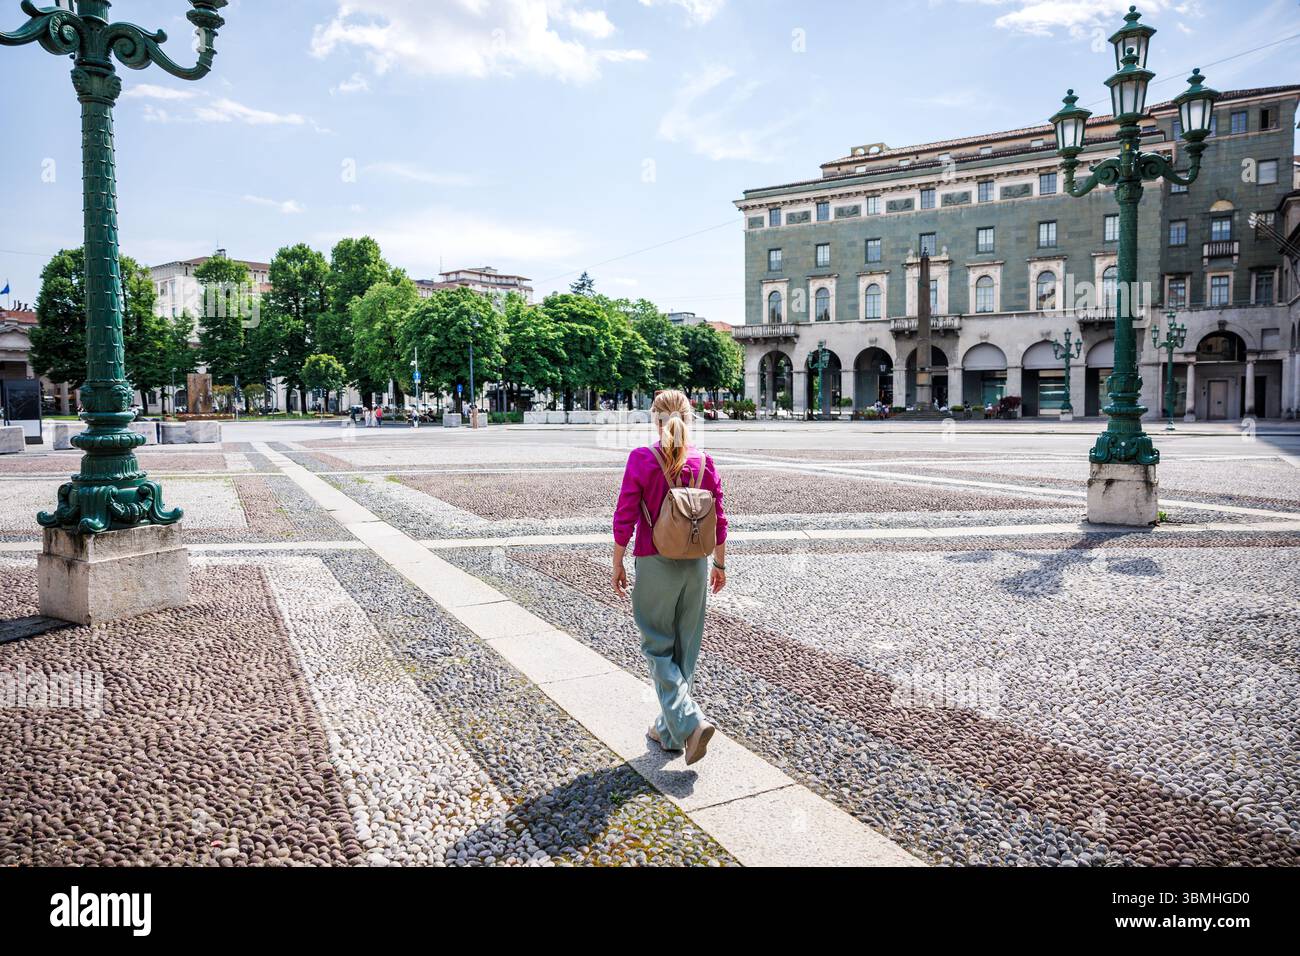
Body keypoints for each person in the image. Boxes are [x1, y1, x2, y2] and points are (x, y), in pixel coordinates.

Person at [611, 389, 728, 766]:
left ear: (654, 419)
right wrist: (720, 565)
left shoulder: (642, 459)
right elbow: (720, 519)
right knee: (685, 650)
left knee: (658, 648)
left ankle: (691, 723)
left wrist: (617, 561)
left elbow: (625, 514)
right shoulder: (704, 461)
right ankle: (669, 731)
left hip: (655, 561)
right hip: (695, 565)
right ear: (689, 418)